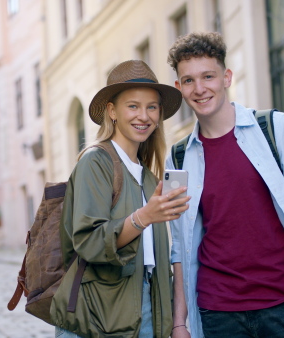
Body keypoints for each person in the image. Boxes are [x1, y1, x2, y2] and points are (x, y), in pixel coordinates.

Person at [165, 32, 284, 338]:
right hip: (217, 314)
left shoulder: (277, 128)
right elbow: (180, 247)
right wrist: (179, 322)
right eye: (188, 80)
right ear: (179, 87)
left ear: (226, 77)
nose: (199, 89)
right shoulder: (178, 157)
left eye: (208, 76)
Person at [50, 60, 192, 338]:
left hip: (148, 308)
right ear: (112, 111)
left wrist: (175, 323)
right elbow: (88, 241)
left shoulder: (150, 178)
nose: (144, 115)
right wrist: (143, 217)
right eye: (133, 106)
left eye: (152, 107)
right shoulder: (96, 162)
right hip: (100, 314)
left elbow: (159, 263)